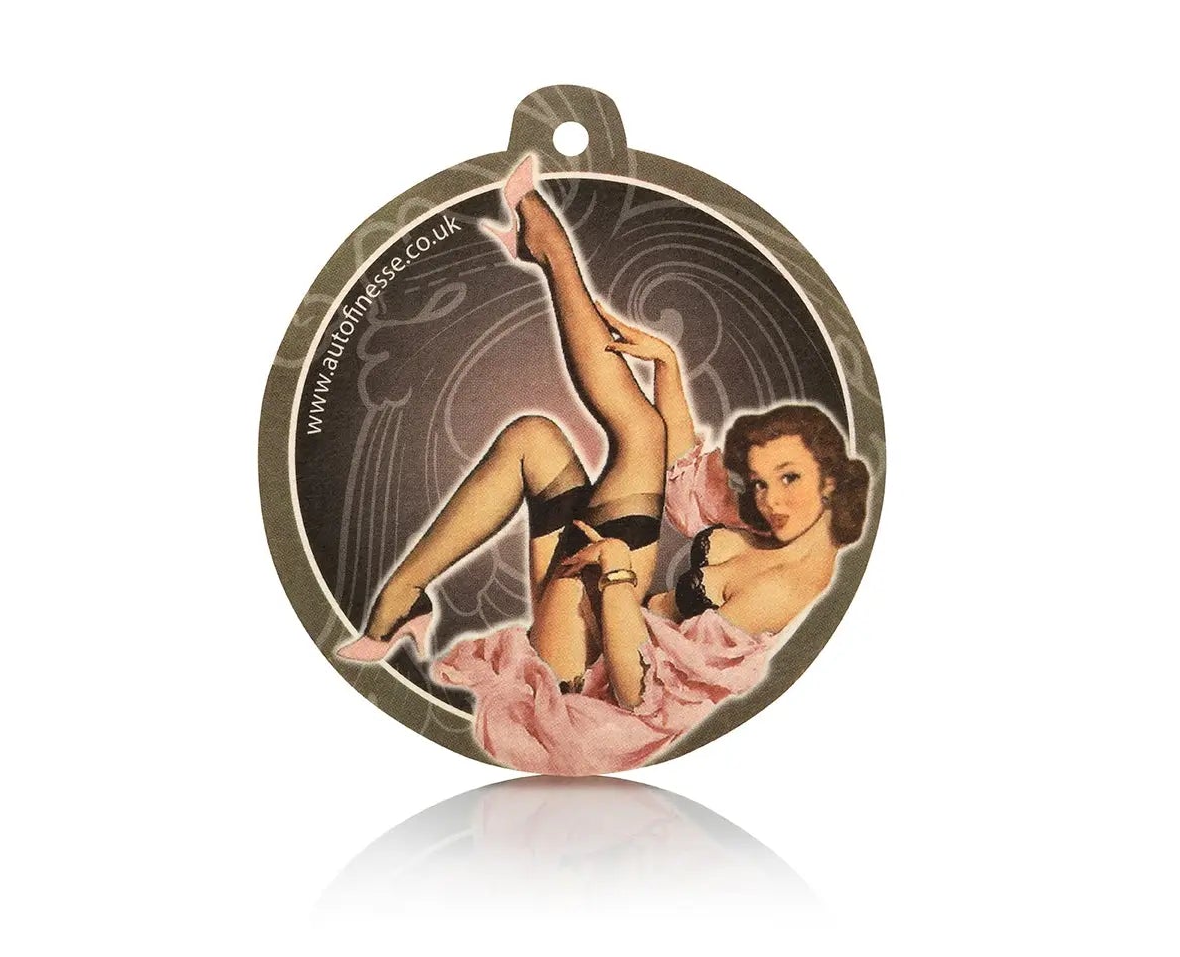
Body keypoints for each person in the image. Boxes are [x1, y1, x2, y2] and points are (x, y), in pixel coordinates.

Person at [335, 156, 871, 775]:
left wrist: (617, 572)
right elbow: (682, 472)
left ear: (831, 480)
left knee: (639, 433)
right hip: (589, 613)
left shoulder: (781, 592)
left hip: (588, 685)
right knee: (535, 438)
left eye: (789, 478)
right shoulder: (778, 525)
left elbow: (639, 693)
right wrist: (666, 363)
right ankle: (402, 600)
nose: (770, 499)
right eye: (761, 481)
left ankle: (551, 252)